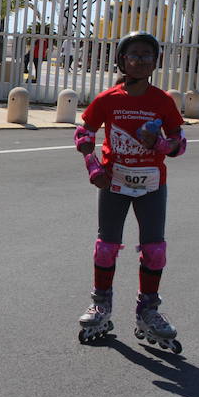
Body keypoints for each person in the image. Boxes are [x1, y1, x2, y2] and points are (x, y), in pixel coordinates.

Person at [74, 31, 186, 353]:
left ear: (155, 62)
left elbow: (179, 142)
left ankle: (148, 310)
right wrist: (92, 165)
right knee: (106, 247)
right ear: (122, 60)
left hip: (152, 184)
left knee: (154, 249)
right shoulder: (108, 99)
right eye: (134, 55)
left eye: (147, 56)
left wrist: (161, 144)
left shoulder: (163, 101)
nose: (141, 60)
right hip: (115, 183)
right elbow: (84, 133)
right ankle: (101, 305)